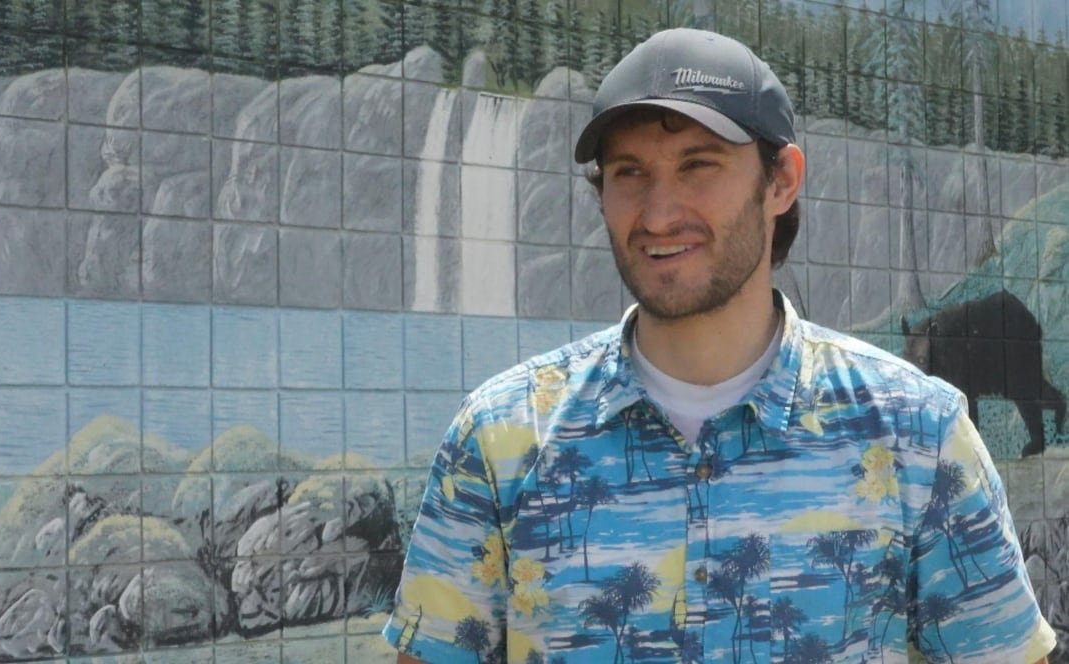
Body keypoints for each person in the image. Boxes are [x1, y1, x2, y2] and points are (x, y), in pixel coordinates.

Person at [382, 27, 1057, 664]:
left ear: (782, 181)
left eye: (698, 166)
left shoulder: (919, 436)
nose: (658, 213)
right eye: (628, 173)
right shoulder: (500, 437)